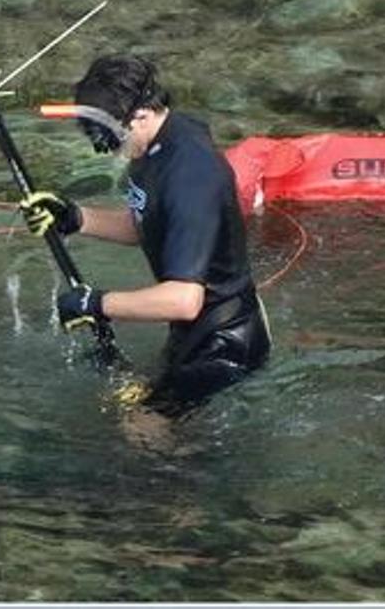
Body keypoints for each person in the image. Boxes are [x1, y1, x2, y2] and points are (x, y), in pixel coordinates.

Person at [20, 54, 271, 414]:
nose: (104, 147)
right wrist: (76, 218)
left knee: (140, 434)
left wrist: (98, 303)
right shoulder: (157, 143)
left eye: (107, 133)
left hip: (224, 343)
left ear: (139, 114)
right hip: (192, 334)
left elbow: (185, 300)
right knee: (130, 410)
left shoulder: (189, 175)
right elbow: (147, 224)